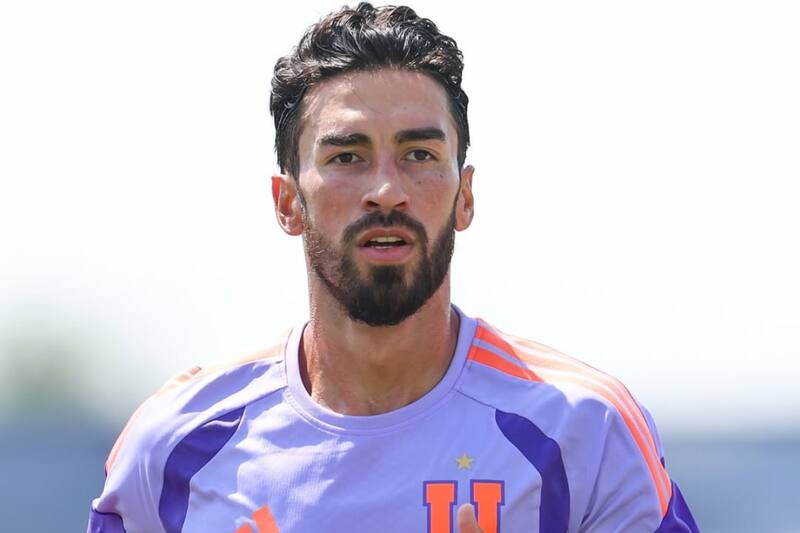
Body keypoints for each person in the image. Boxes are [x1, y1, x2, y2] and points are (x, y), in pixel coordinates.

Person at [87, 3, 699, 532]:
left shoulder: (586, 432)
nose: (386, 190)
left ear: (464, 196)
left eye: (419, 154)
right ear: (287, 202)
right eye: (347, 156)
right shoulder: (173, 446)